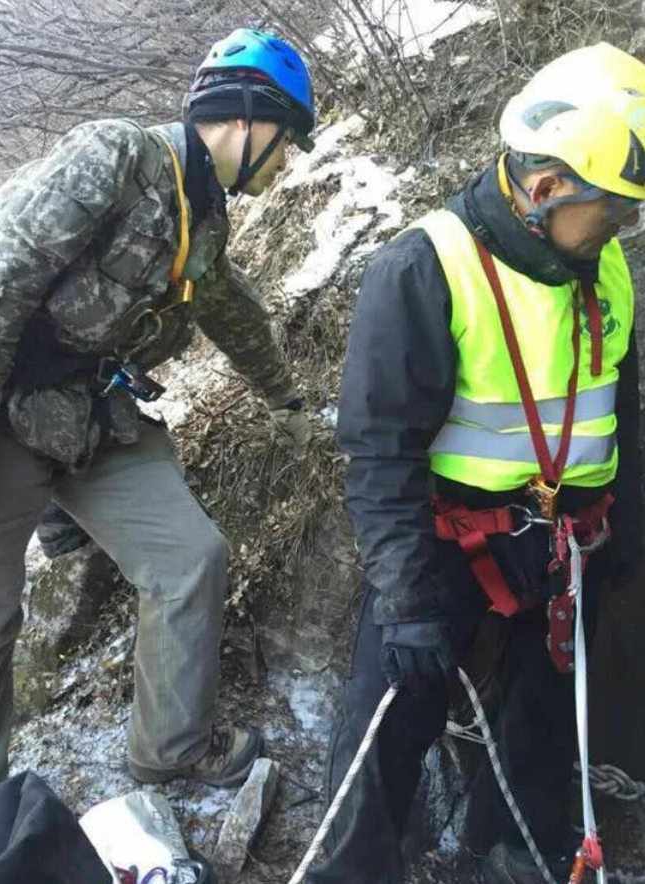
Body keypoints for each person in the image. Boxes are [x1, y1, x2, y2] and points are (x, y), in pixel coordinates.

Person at [0, 28, 315, 815]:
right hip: (2, 411)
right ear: (243, 119)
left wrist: (284, 398)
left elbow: (230, 307)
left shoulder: (206, 211)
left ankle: (169, 751)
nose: (288, 160)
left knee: (190, 557)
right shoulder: (117, 155)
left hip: (96, 416)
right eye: (285, 139)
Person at [310, 42, 644, 884]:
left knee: (534, 728)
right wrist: (410, 598)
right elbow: (379, 450)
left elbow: (617, 408)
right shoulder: (426, 269)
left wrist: (622, 528)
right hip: (443, 545)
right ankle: (354, 870)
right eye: (611, 211)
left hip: (563, 545)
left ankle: (511, 857)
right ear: (545, 189)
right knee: (387, 721)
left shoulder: (601, 268)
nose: (622, 229)